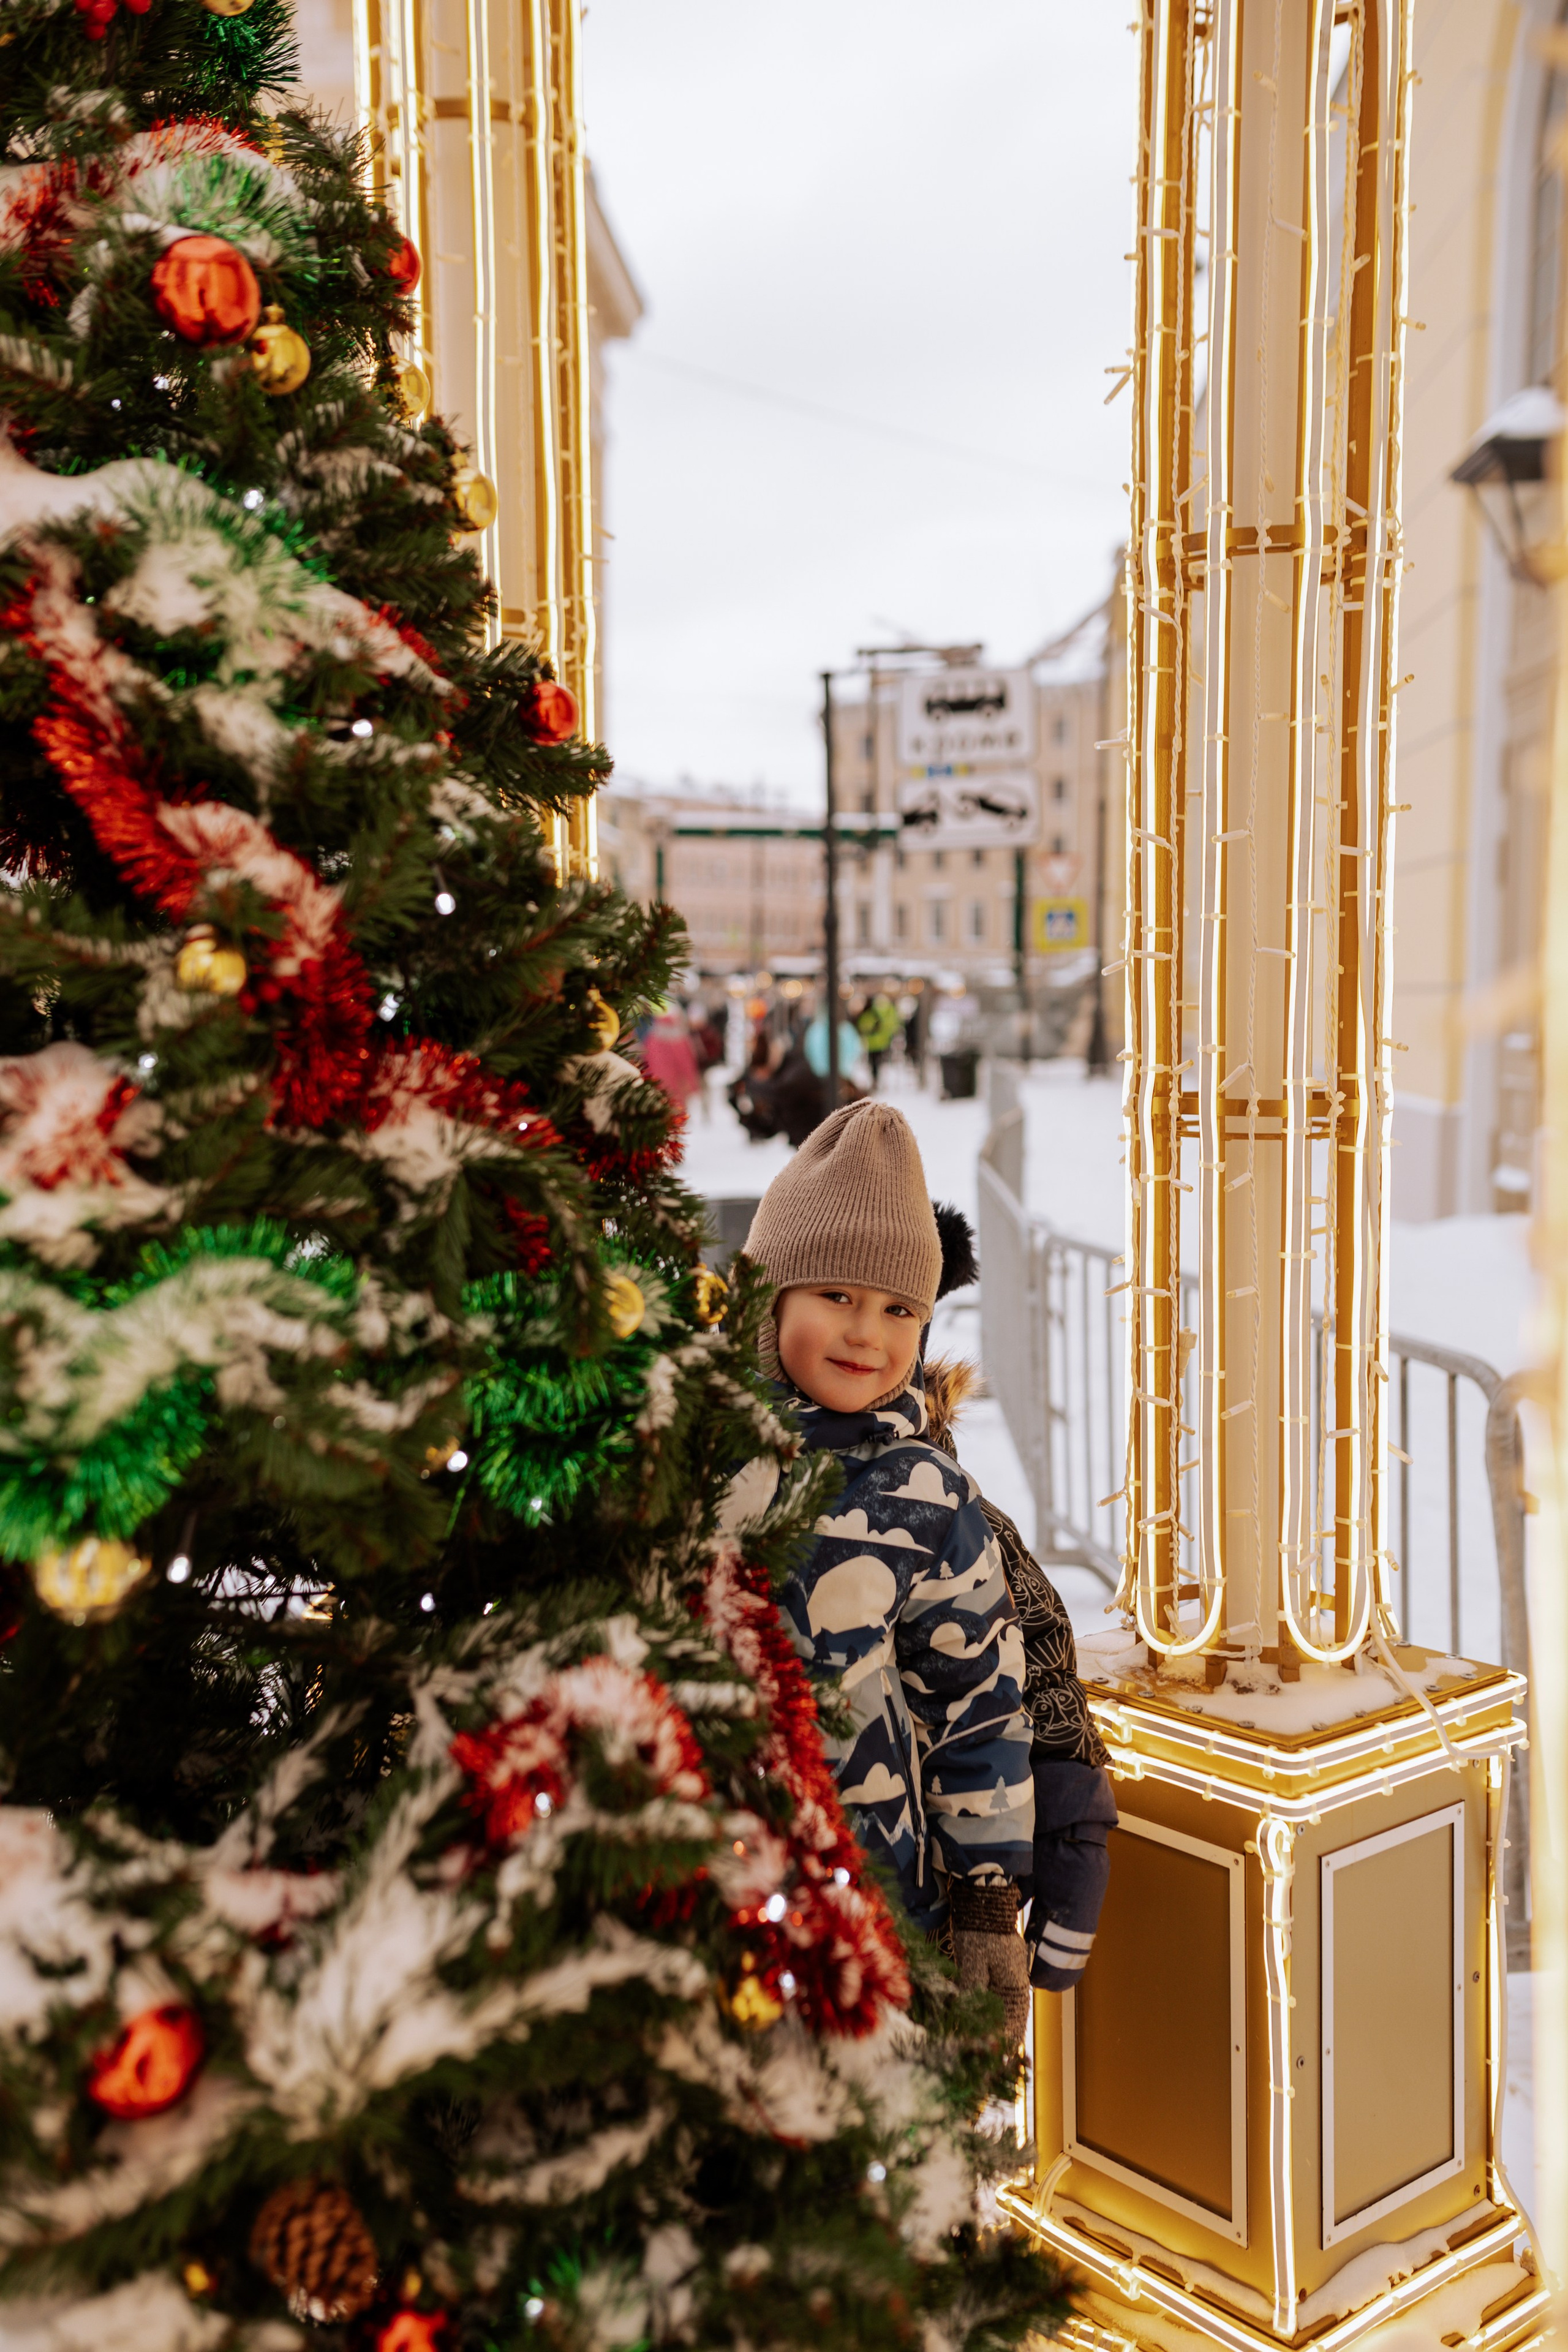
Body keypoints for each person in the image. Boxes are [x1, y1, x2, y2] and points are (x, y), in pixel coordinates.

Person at [733, 1101, 1036, 2039]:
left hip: (874, 1896)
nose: (867, 1334)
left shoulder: (926, 1494)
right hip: (704, 1881)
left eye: (900, 1309)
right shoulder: (697, 1450)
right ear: (768, 1297)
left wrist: (986, 1898)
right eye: (836, 1296)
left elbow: (976, 1696)